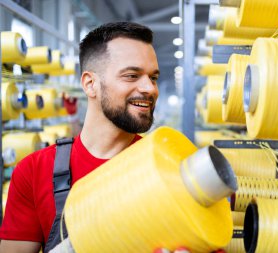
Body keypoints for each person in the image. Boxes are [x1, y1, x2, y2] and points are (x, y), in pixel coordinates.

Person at [0, 22, 226, 253]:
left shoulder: (176, 173)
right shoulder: (34, 171)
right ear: (90, 84)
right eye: (131, 75)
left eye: (154, 77)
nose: (150, 88)